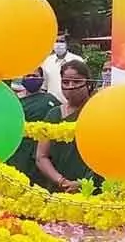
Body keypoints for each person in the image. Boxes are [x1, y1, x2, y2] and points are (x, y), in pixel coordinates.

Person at [35, 60, 102, 193]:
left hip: (92, 190)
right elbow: (41, 156)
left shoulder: (98, 111)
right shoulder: (53, 114)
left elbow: (107, 155)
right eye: (65, 82)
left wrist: (83, 183)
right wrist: (62, 181)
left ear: (88, 83)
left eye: (76, 82)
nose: (70, 87)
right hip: (58, 190)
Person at [7, 67, 60, 188]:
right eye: (28, 76)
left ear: (42, 79)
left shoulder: (49, 100)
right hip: (18, 151)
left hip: (41, 152)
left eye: (35, 76)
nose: (31, 78)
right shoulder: (14, 100)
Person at [41, 35, 82, 104]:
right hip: (51, 103)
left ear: (67, 44)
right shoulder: (46, 61)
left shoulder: (77, 60)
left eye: (61, 41)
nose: (58, 44)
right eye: (56, 41)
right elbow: (44, 87)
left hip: (72, 103)